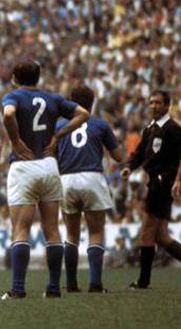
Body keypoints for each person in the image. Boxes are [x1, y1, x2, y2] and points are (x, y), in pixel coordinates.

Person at [0, 60, 89, 299]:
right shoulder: (53, 98)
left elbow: (8, 114)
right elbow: (84, 113)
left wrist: (16, 140)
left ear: (15, 77)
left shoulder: (13, 96)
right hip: (49, 164)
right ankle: (52, 288)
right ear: (37, 78)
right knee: (52, 229)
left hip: (24, 166)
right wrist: (58, 134)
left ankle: (18, 288)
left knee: (20, 229)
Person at [55, 86, 123, 293]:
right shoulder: (100, 124)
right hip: (92, 177)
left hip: (66, 179)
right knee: (95, 232)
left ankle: (72, 284)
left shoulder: (58, 124)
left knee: (71, 235)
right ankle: (95, 284)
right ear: (92, 103)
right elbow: (118, 157)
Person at [120, 90, 181, 289]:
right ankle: (144, 280)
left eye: (157, 103)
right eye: (151, 102)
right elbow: (138, 153)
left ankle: (143, 282)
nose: (153, 106)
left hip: (162, 184)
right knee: (162, 236)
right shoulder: (150, 128)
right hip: (154, 182)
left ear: (166, 106)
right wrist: (129, 166)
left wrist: (178, 180)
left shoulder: (173, 128)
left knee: (146, 233)